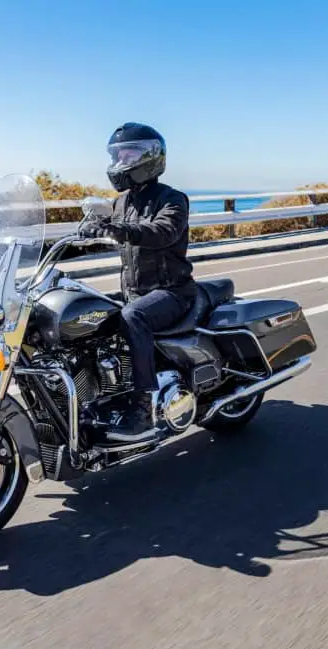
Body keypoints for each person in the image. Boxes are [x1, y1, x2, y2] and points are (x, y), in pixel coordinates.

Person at [80, 122, 198, 440]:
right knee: (85, 311)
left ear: (149, 158)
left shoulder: (173, 199)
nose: (120, 162)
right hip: (133, 291)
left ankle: (142, 408)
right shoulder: (121, 202)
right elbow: (110, 229)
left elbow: (162, 233)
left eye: (128, 154)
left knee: (133, 316)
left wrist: (117, 230)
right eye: (117, 155)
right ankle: (98, 396)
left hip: (171, 291)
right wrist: (82, 235)